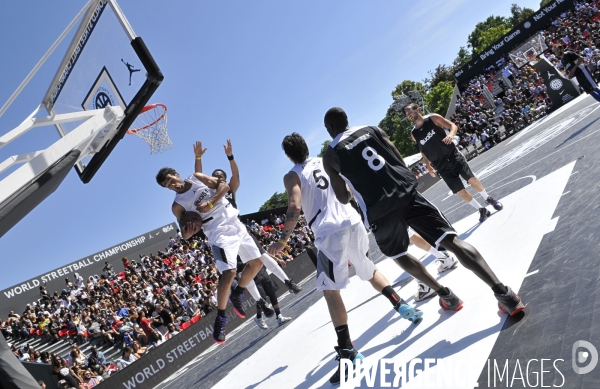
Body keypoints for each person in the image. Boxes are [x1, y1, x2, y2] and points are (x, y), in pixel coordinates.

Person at [322, 107, 525, 317]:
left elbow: (343, 198)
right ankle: (505, 295)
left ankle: (445, 294)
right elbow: (397, 157)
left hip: (379, 209)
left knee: (398, 254)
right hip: (406, 192)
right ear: (347, 120)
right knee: (453, 242)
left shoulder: (330, 155)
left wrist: (351, 183)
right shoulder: (372, 129)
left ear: (330, 128)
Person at [270, 133, 423, 384]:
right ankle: (402, 305)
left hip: (329, 231)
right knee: (368, 269)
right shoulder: (324, 160)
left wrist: (283, 240)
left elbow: (295, 206)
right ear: (306, 147)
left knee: (331, 291)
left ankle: (348, 351)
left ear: (288, 155)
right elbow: (348, 187)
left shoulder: (292, 175)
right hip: (352, 220)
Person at [156, 167, 263, 344]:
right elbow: (185, 234)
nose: (171, 185)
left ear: (176, 174)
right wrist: (188, 233)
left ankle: (238, 292)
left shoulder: (197, 178)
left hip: (235, 223)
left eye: (170, 179)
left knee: (257, 263)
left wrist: (211, 203)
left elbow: (224, 187)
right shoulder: (177, 206)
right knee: (229, 272)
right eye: (167, 185)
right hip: (217, 232)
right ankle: (221, 319)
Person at [193, 139, 303, 295]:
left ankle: (288, 282)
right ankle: (259, 301)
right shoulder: (210, 194)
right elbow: (198, 178)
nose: (218, 179)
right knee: (242, 270)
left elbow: (235, 174)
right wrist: (198, 158)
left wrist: (230, 157)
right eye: (215, 177)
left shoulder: (230, 189)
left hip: (239, 230)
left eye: (220, 176)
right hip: (224, 236)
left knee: (262, 257)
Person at [405, 103, 503, 223]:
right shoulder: (414, 134)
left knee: (472, 179)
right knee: (460, 191)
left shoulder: (433, 118)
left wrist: (451, 135)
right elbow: (423, 150)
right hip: (440, 166)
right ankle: (481, 209)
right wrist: (428, 165)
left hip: (453, 155)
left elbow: (452, 125)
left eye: (410, 112)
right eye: (407, 114)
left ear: (418, 110)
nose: (408, 115)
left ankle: (488, 198)